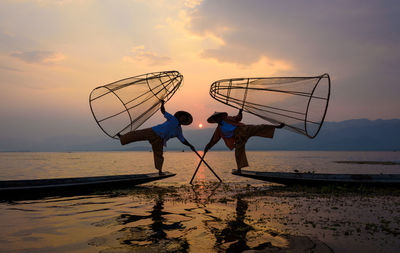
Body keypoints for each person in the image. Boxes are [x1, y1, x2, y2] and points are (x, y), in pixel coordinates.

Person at [118, 101, 195, 175]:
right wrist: (162, 104)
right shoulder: (172, 119)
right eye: (182, 117)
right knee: (138, 134)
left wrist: (190, 145)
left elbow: (183, 140)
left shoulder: (179, 131)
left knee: (159, 154)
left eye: (184, 118)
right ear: (180, 117)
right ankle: (123, 137)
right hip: (154, 131)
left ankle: (160, 171)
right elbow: (163, 111)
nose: (182, 118)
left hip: (160, 139)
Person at [204, 109, 284, 173]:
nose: (217, 119)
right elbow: (214, 140)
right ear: (215, 120)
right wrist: (207, 147)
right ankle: (239, 169)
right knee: (238, 152)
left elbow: (238, 118)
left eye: (218, 117)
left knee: (259, 127)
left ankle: (276, 127)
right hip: (238, 138)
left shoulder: (228, 119)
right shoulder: (219, 130)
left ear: (221, 117)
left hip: (243, 130)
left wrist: (240, 112)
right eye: (216, 118)